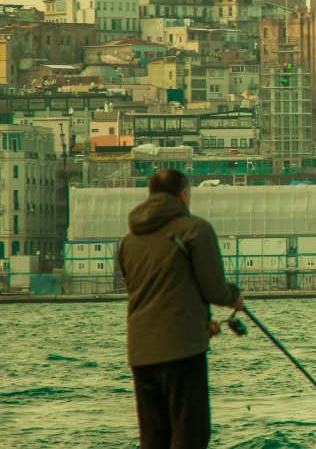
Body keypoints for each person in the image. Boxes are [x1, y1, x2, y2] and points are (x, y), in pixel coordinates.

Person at [119, 169, 243, 449]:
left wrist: (200, 324)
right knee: (190, 436)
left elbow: (150, 294)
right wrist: (235, 297)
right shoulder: (195, 229)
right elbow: (214, 290)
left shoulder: (128, 241)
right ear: (184, 196)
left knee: (153, 439)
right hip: (182, 352)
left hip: (141, 354)